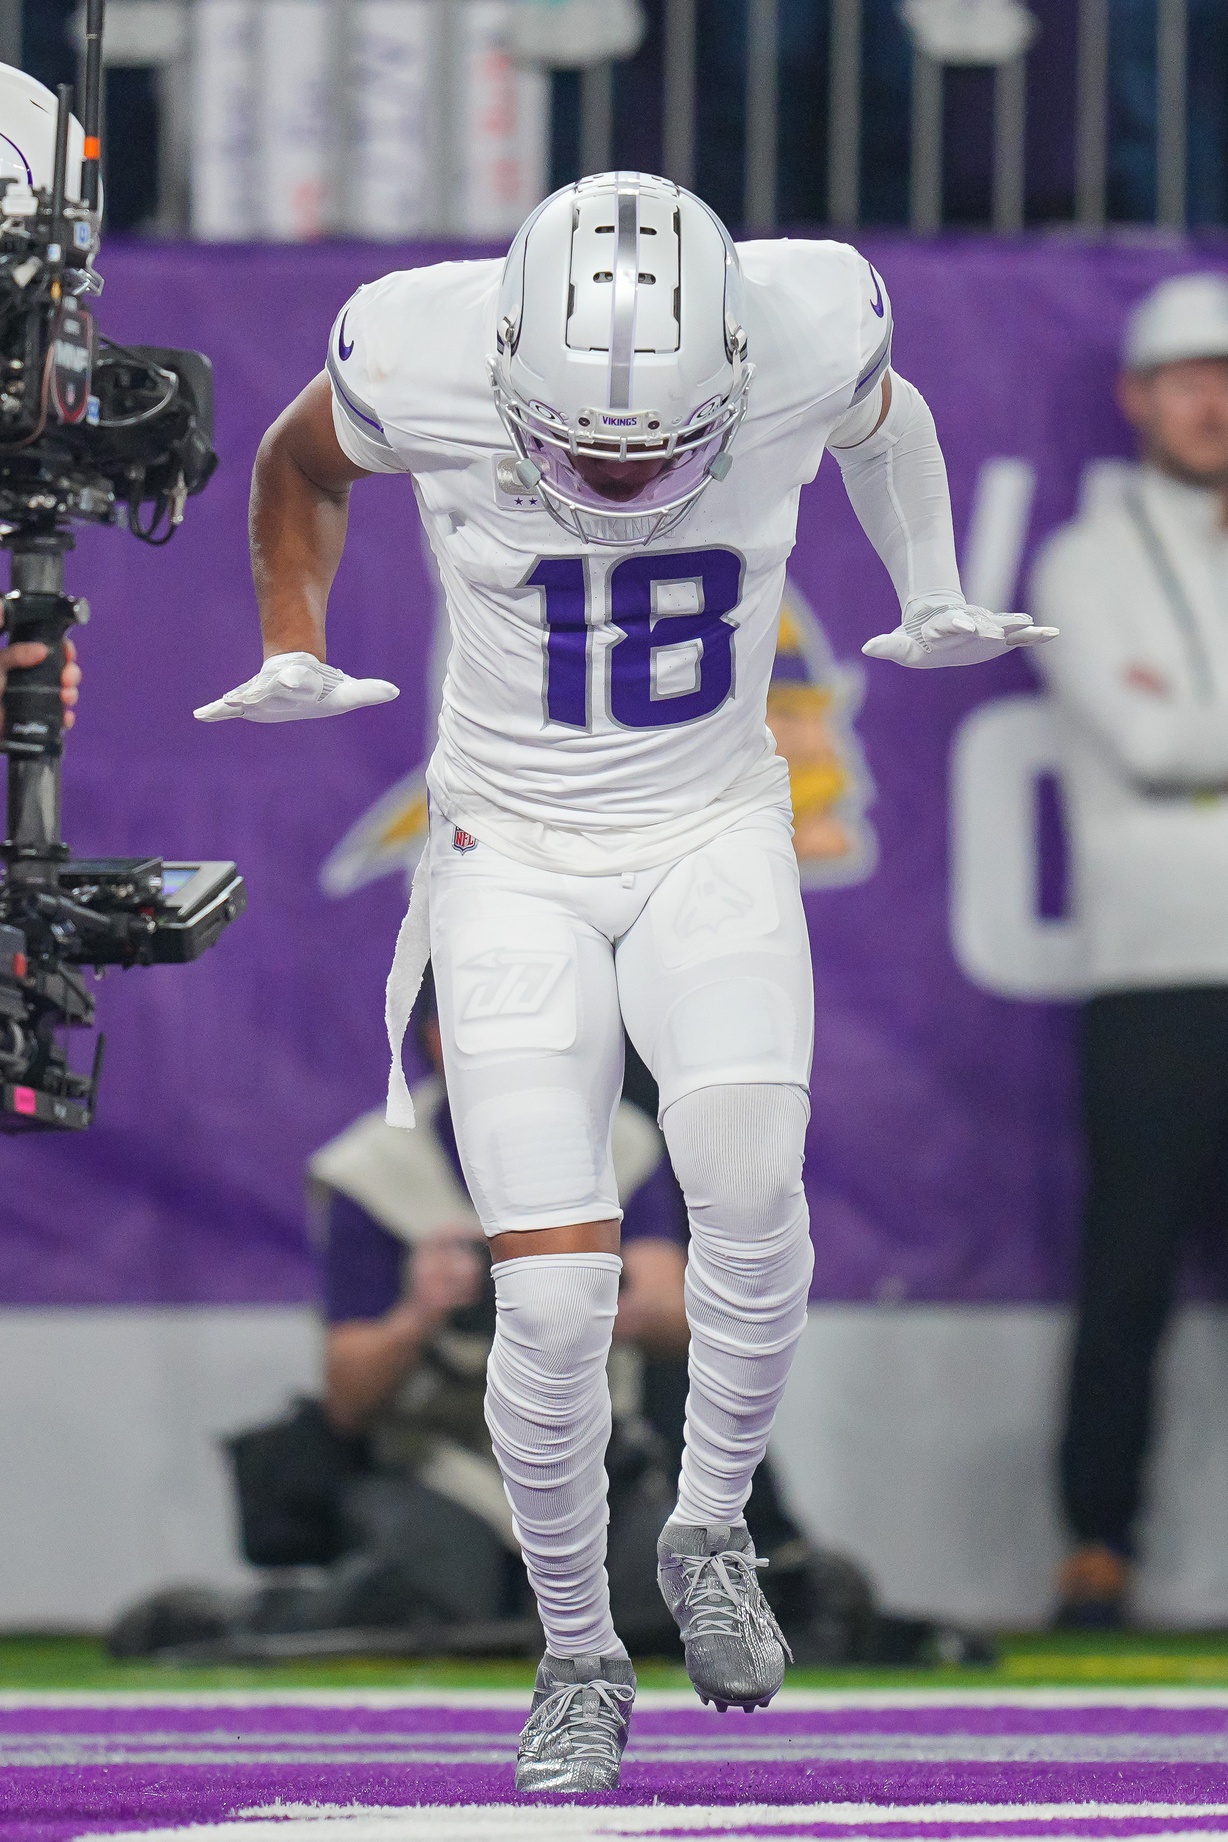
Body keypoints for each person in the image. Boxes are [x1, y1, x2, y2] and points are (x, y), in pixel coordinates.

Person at [195, 172, 1053, 1792]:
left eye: (658, 444)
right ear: (509, 355)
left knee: (745, 1170)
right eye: (587, 442)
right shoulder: (423, 346)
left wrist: (927, 585)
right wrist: (287, 630)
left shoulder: (803, 322)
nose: (620, 473)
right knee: (561, 1292)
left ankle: (711, 1528)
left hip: (712, 820)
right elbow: (301, 455)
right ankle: (578, 1645)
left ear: (731, 368)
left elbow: (887, 413)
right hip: (505, 843)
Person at [1032, 271, 1228, 1627]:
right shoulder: (1082, 559)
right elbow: (1148, 747)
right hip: (1153, 966)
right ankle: (1097, 1543)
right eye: (1184, 378)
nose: (1211, 401)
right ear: (1136, 400)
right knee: (1132, 1260)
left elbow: (1181, 741)